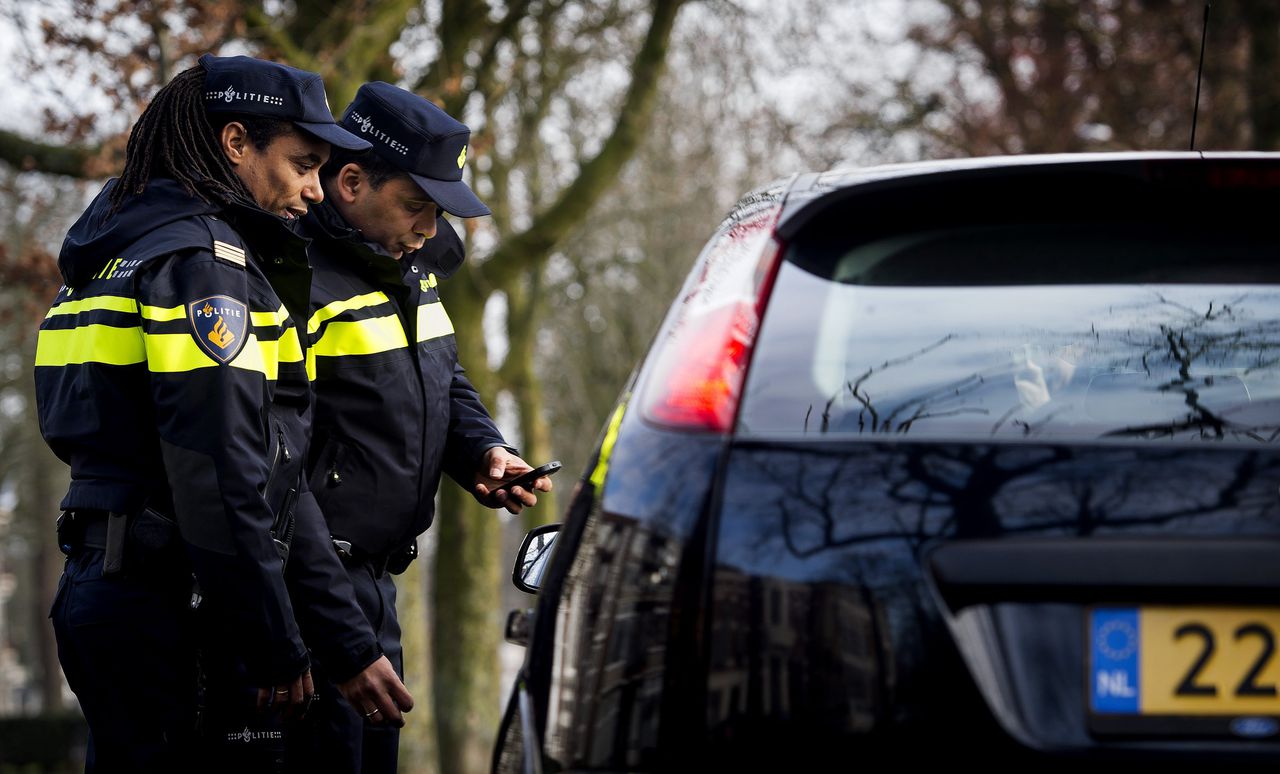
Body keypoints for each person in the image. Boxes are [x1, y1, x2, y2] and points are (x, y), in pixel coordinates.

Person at [34, 55, 411, 773]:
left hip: (102, 585)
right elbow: (224, 471)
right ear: (236, 142)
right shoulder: (204, 264)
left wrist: (344, 641)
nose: (313, 190)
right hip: (176, 607)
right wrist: (274, 638)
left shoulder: (111, 256)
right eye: (303, 163)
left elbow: (255, 460)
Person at [291, 82, 552, 773]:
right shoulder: (291, 283)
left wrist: (483, 452)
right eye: (416, 206)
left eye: (438, 212)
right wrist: (341, 639)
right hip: (311, 596)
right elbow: (269, 470)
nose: (431, 229)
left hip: (377, 584)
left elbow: (443, 378)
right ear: (349, 181)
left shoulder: (412, 265)